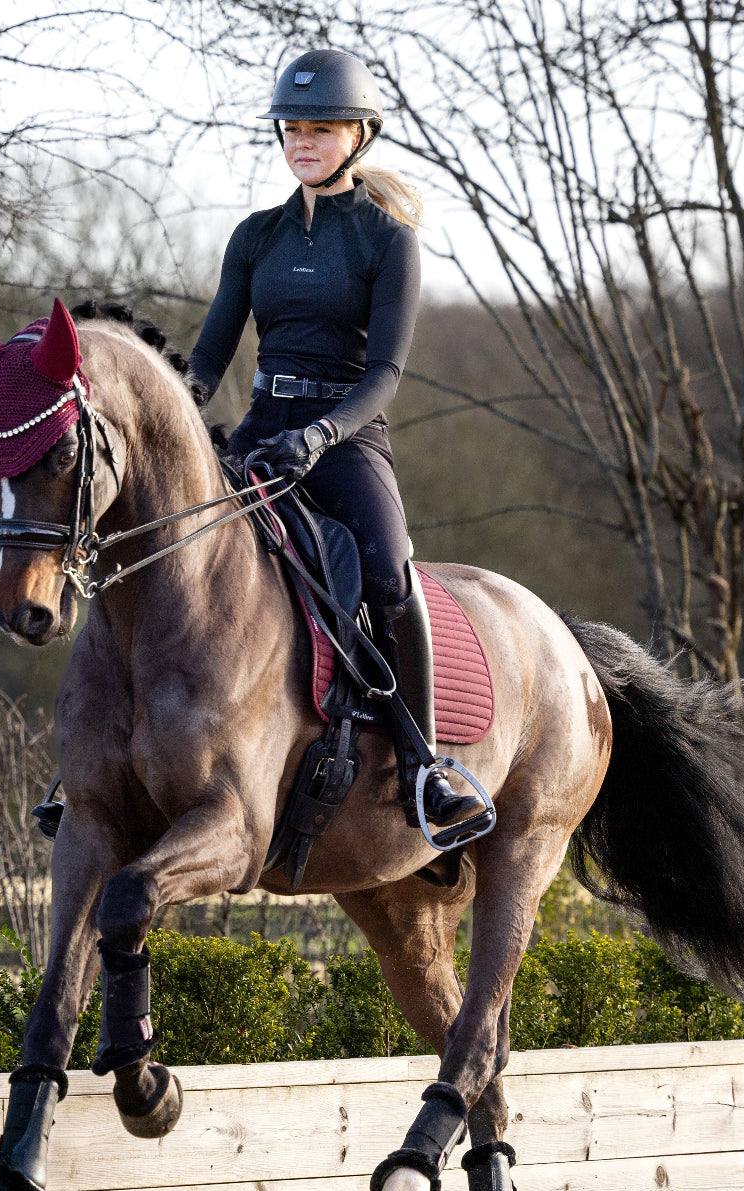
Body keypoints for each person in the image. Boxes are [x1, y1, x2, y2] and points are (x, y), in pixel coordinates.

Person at [188, 48, 484, 831]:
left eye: (322, 128)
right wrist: (178, 418)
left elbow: (384, 373)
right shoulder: (256, 237)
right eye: (294, 129)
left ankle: (424, 768)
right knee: (161, 537)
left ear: (358, 138)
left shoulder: (389, 242)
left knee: (390, 571)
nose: (304, 142)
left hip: (346, 435)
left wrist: (320, 435)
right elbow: (210, 357)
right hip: (260, 429)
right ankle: (93, 766)